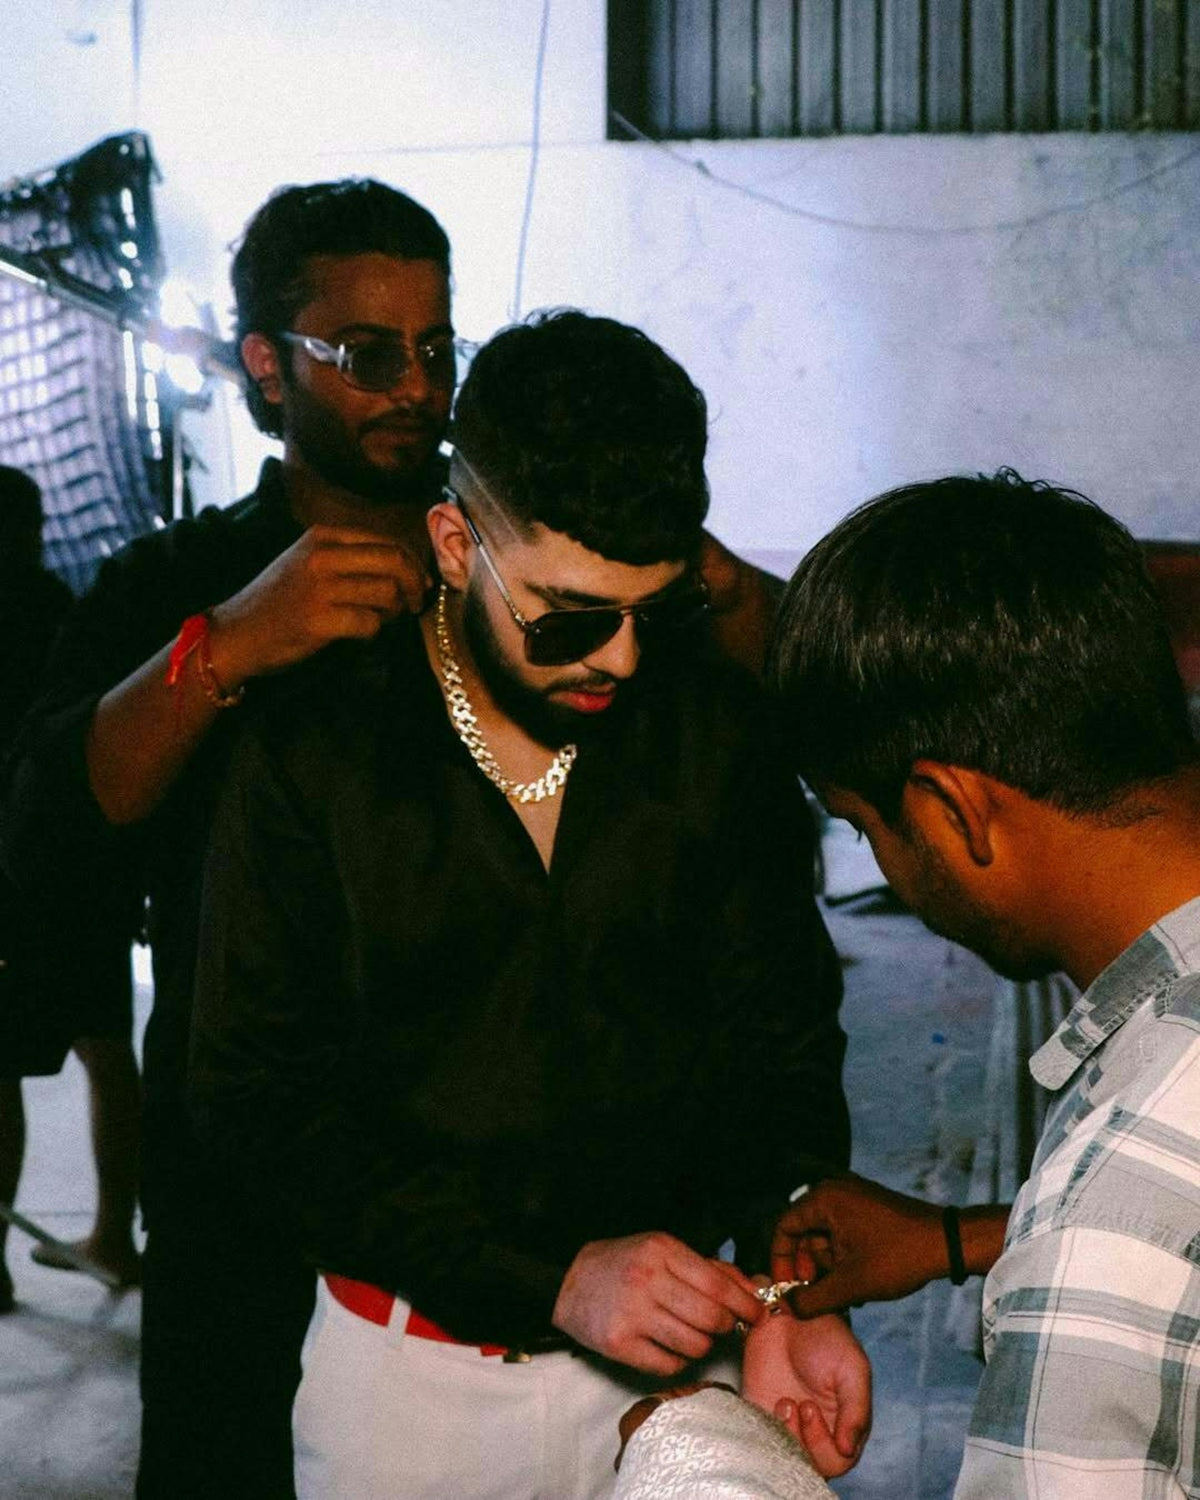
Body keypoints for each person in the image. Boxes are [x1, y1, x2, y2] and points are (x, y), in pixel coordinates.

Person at [0, 178, 803, 1497]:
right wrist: (226, 650)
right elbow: (40, 839)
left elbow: (798, 674)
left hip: (554, 1229)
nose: (414, 387)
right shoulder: (179, 585)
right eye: (367, 355)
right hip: (256, 1210)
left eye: (437, 350)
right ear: (266, 363)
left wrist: (645, 561)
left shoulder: (548, 546)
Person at [188, 309, 861, 1500]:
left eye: (654, 614)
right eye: (567, 618)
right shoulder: (313, 752)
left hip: (686, 1371)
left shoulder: (713, 738)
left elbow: (783, 1044)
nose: (619, 662)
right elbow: (254, 1102)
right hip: (410, 1393)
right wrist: (544, 1276)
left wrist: (789, 1284)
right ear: (455, 544)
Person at [768, 471, 1200, 1496]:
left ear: (953, 812)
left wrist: (696, 1455)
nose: (885, 869)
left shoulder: (1109, 1202)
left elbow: (1131, 1224)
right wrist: (957, 1240)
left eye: (872, 832)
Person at [0, 466, 140, 1310]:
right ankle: (115, 1237)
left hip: (13, 870)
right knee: (106, 1049)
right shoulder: (70, 611)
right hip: (87, 871)